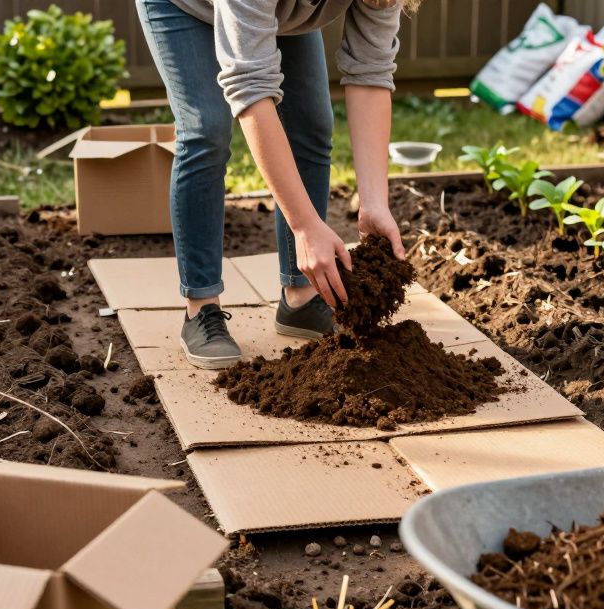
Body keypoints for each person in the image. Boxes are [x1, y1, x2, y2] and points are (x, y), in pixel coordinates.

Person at [135, 0, 413, 368]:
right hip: (183, 6)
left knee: (312, 123)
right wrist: (304, 225)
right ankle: (201, 306)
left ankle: (299, 297)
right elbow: (250, 86)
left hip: (278, 12)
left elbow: (372, 70)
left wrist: (375, 202)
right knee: (207, 132)